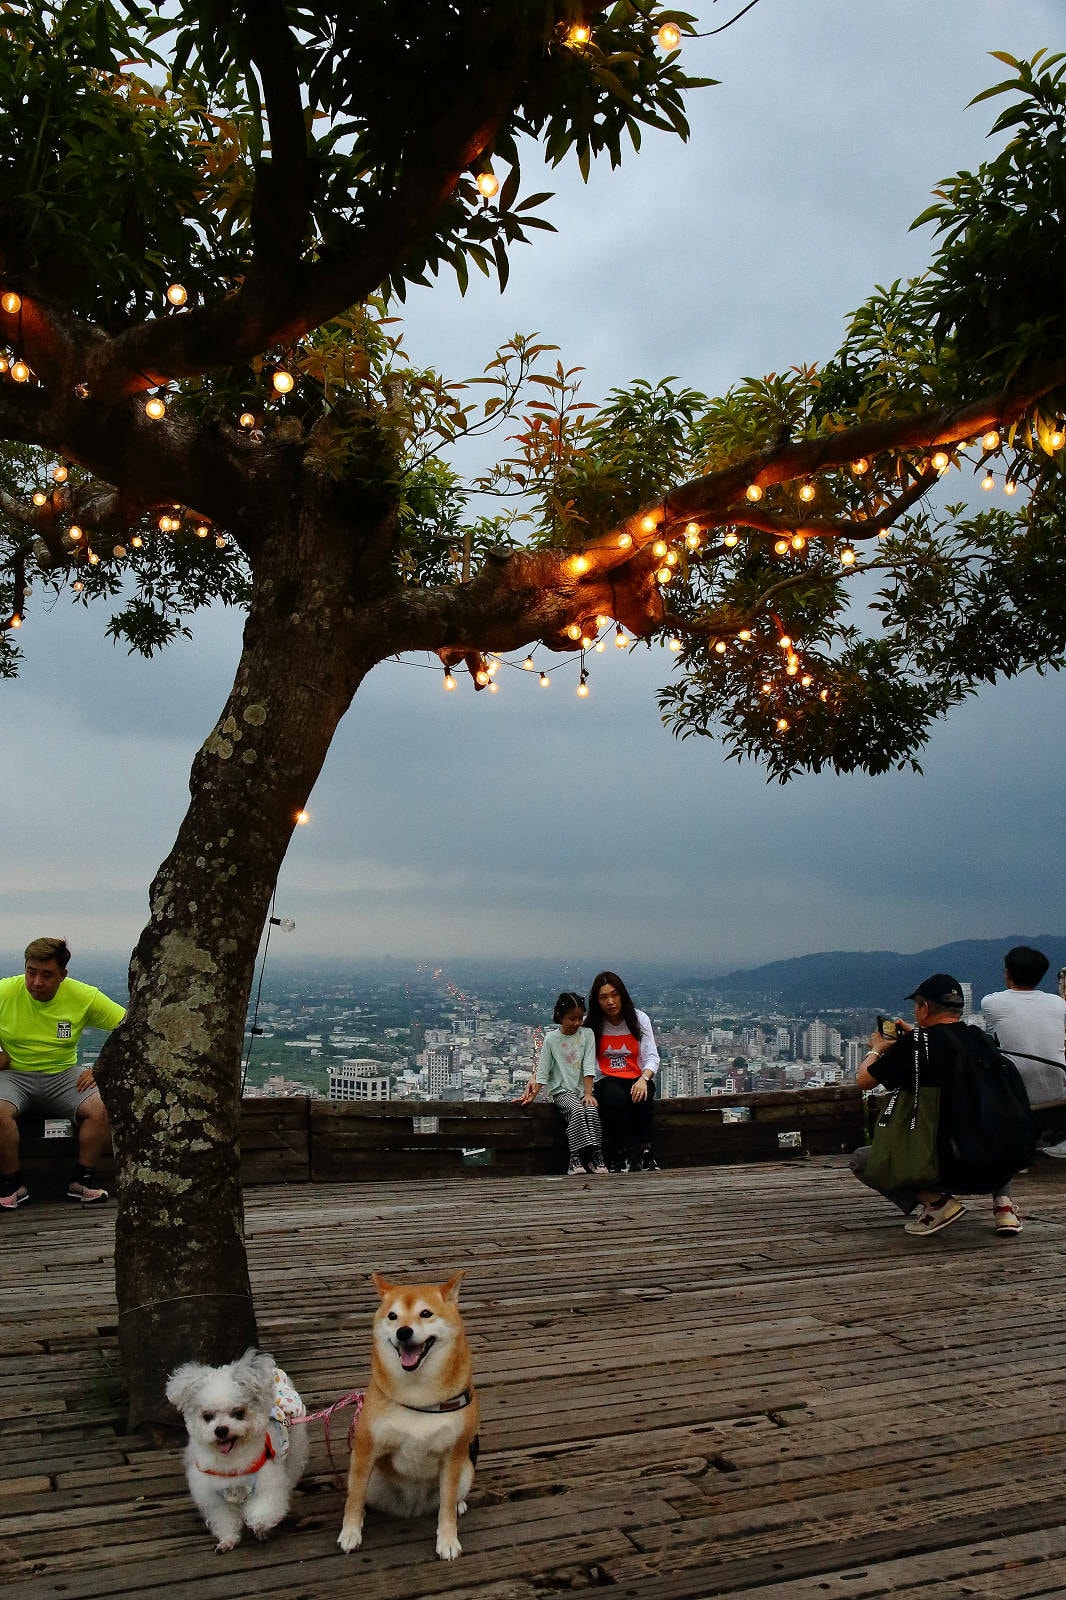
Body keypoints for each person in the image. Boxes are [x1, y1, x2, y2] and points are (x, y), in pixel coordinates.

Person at [852, 972, 1023, 1237]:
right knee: (992, 1122)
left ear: (924, 1008)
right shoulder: (981, 1040)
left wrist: (877, 1048)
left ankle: (936, 1203)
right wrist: (918, 1038)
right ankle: (1004, 1209)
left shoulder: (915, 1045)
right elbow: (946, 1048)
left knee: (862, 1160)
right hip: (997, 1166)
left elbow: (864, 1080)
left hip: (946, 1168)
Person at [0, 937, 126, 1208]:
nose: (37, 983)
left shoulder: (83, 996)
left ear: (63, 975)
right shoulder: (4, 992)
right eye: (31, 972)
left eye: (47, 975)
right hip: (14, 1073)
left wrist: (104, 1068)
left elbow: (130, 1026)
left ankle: (81, 1181)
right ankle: (12, 1184)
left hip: (63, 1073)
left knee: (100, 1108)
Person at [519, 992, 608, 1176]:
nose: (577, 1023)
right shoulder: (551, 1039)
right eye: (572, 1018)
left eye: (580, 1018)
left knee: (591, 1110)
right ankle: (574, 1157)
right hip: (562, 1089)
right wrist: (532, 1095)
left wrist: (589, 1093)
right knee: (576, 1110)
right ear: (560, 1016)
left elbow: (589, 1065)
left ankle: (595, 1155)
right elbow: (543, 1070)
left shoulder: (587, 1034)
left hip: (584, 1089)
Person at [586, 971, 660, 1173]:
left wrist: (644, 1079)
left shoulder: (639, 1019)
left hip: (636, 1077)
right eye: (603, 997)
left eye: (614, 995)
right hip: (605, 1079)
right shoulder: (591, 1024)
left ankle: (646, 1152)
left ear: (622, 995)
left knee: (642, 1096)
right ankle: (621, 1153)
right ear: (596, 1000)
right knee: (615, 1097)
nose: (610, 1001)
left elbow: (652, 1057)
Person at [981, 945, 1066, 1112]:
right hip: (1059, 1094)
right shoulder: (1058, 1003)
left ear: (1007, 973)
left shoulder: (992, 1002)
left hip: (1018, 1098)